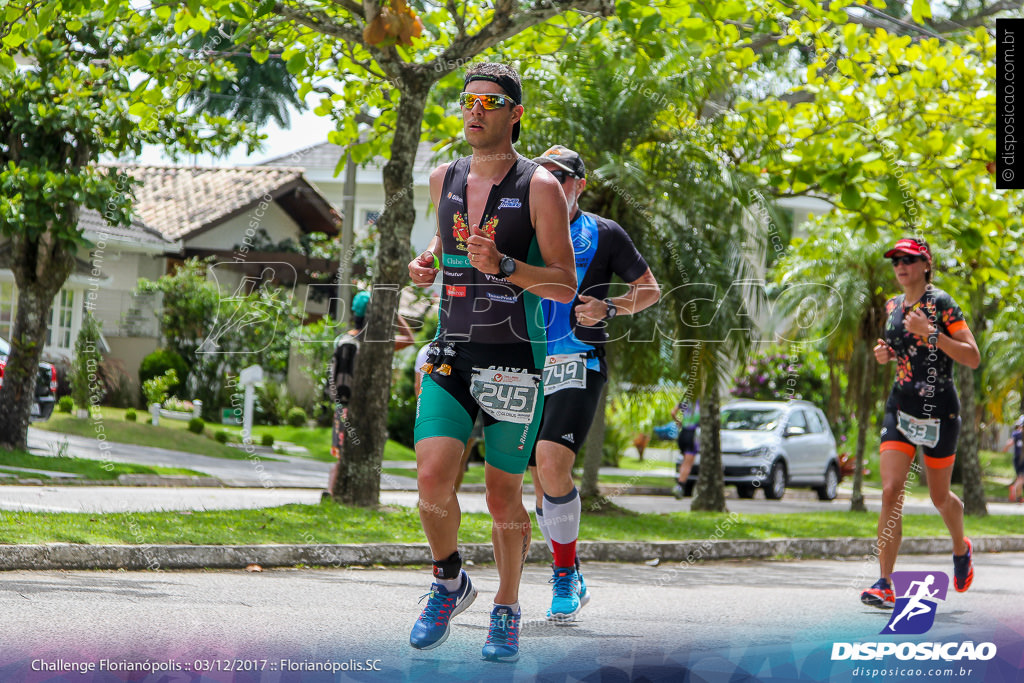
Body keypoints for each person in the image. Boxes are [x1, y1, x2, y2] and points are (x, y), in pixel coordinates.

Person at [406, 62, 576, 662]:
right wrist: (428, 260)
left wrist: (505, 267)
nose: (475, 109)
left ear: (516, 113)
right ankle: (449, 580)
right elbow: (449, 238)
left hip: (516, 358)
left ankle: (506, 607)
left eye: (491, 100)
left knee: (502, 495)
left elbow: (563, 283)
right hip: (453, 345)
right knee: (430, 478)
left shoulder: (540, 187)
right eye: (468, 99)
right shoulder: (441, 176)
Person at [525, 145, 660, 622]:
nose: (550, 185)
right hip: (524, 360)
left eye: (560, 178)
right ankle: (571, 568)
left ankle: (563, 577)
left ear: (579, 185)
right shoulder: (522, 229)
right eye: (542, 175)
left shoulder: (603, 233)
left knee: (551, 464)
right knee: (540, 481)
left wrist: (611, 308)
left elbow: (649, 289)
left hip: (578, 357)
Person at [860, 237, 980, 610]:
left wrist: (932, 334)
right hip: (901, 407)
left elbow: (972, 357)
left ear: (925, 265)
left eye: (908, 259)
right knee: (891, 489)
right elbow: (903, 350)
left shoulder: (942, 304)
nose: (900, 266)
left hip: (939, 411)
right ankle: (884, 582)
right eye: (896, 260)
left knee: (939, 497)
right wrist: (885, 353)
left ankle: (961, 549)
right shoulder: (893, 305)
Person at [326, 290, 414, 490]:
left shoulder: (342, 340)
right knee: (361, 453)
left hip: (342, 406)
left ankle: (332, 492)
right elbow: (409, 338)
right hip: (365, 407)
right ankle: (336, 492)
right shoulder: (377, 343)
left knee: (342, 453)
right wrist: (394, 313)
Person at [670, 398, 699, 499]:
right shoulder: (702, 403)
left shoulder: (686, 402)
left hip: (683, 433)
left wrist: (679, 422)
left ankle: (679, 485)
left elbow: (673, 412)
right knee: (688, 463)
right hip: (692, 435)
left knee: (684, 462)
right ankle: (680, 487)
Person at [1003, 416, 1024, 502]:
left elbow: (1009, 443)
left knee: (1020, 478)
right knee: (1021, 479)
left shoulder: (1016, 434)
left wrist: (1005, 449)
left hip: (1016, 458)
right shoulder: (1018, 435)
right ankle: (1014, 489)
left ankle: (1019, 497)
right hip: (1022, 459)